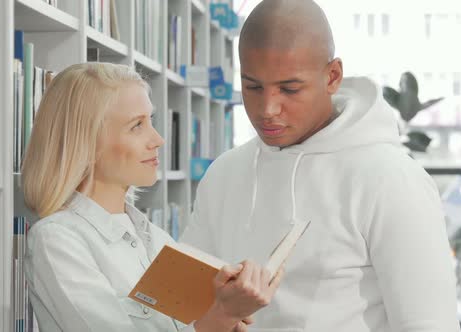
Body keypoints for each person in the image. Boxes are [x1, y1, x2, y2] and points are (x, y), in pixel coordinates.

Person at [180, 0, 461, 331]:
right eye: (253, 86)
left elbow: (428, 324)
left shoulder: (391, 179)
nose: (268, 108)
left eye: (289, 88)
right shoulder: (224, 173)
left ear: (332, 76)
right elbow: (185, 309)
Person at [21, 62, 283, 332]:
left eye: (151, 122)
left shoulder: (155, 238)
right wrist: (221, 317)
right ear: (86, 142)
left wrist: (226, 312)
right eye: (136, 126)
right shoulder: (57, 240)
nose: (158, 139)